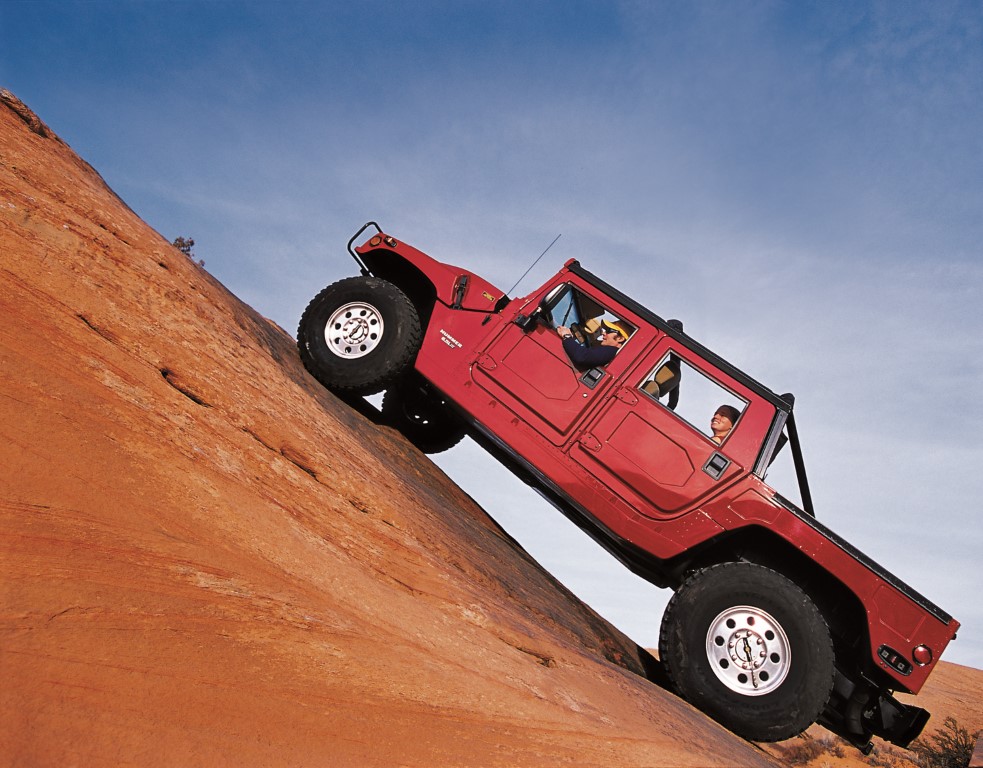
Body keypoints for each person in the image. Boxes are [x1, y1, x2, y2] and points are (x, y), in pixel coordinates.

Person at [556, 319, 629, 369]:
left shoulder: (612, 351)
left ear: (620, 338)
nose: (603, 333)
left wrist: (567, 336)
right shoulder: (614, 354)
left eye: (608, 331)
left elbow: (582, 357)